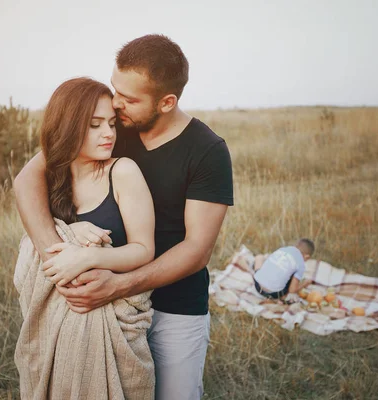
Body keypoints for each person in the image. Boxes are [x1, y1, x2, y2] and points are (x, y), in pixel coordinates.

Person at [14, 34, 234, 400]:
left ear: (166, 102)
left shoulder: (207, 152)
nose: (116, 105)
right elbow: (28, 179)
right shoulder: (111, 128)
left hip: (174, 309)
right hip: (103, 302)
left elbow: (196, 250)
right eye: (116, 89)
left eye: (129, 99)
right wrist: (60, 258)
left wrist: (117, 285)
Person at [13, 77, 156, 399]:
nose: (108, 133)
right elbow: (38, 241)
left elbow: (144, 250)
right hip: (59, 330)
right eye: (94, 125)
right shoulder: (51, 179)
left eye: (110, 124)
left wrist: (88, 256)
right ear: (68, 127)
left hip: (116, 326)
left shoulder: (121, 171)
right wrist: (71, 230)